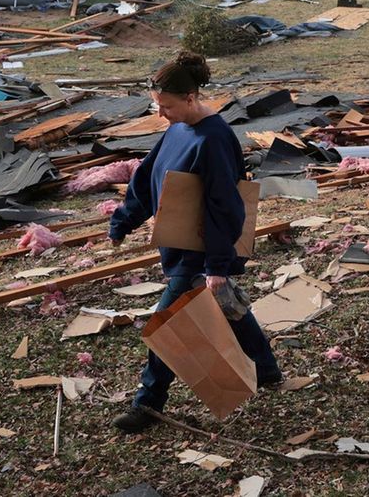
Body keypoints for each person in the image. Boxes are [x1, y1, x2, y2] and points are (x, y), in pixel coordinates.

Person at [109, 52, 283, 434]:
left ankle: (148, 402)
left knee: (166, 325)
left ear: (190, 98)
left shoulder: (214, 138)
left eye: (167, 106)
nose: (161, 114)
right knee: (228, 306)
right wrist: (123, 221)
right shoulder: (176, 129)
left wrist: (217, 266)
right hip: (180, 246)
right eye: (158, 106)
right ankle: (267, 370)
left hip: (199, 251)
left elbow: (225, 205)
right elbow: (148, 178)